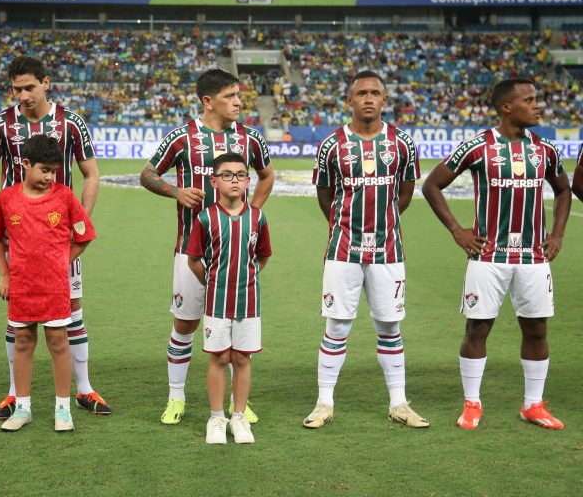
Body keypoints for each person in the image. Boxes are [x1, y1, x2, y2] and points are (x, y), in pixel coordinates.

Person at [422, 77, 571, 430]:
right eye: (530, 100)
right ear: (506, 107)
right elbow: (432, 185)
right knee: (478, 329)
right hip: (488, 256)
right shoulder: (477, 146)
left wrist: (558, 235)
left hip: (534, 258)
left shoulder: (545, 150)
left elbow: (564, 191)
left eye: (537, 99)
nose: (538, 105)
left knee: (537, 331)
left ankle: (533, 405)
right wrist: (457, 230)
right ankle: (472, 403)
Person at [0, 56, 110, 418]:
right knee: (17, 314)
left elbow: (91, 174)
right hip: (18, 233)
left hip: (57, 234)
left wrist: (76, 225)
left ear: (46, 83)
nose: (23, 95)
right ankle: (12, 394)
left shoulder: (71, 123)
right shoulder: (1, 124)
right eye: (17, 89)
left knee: (72, 308)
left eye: (29, 87)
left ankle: (84, 389)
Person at [139, 67, 275, 425]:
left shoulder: (249, 138)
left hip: (236, 256)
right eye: (230, 96)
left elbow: (267, 174)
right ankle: (176, 398)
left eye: (238, 95)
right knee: (185, 325)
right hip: (191, 250)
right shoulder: (183, 137)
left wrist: (253, 212)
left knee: (235, 329)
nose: (237, 102)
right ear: (208, 101)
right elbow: (148, 174)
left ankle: (238, 403)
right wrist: (176, 191)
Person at [303, 70, 429, 429]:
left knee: (390, 326)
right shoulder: (331, 145)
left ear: (385, 100)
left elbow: (405, 193)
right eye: (361, 93)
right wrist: (348, 225)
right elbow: (324, 196)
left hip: (388, 250)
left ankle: (399, 403)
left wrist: (382, 222)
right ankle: (324, 402)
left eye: (375, 93)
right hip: (343, 249)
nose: (369, 98)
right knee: (337, 325)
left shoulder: (402, 143)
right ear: (349, 101)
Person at [0, 135, 96, 432]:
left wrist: (62, 261)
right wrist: (5, 273)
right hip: (21, 285)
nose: (49, 177)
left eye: (54, 171)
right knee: (22, 342)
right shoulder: (7, 198)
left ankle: (63, 409)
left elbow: (84, 236)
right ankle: (22, 408)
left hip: (55, 285)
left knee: (59, 342)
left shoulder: (65, 196)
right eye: (44, 170)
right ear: (25, 164)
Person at [186, 153, 272, 444]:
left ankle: (239, 418)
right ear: (214, 181)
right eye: (227, 175)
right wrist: (213, 283)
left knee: (242, 358)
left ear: (248, 181)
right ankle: (216, 418)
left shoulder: (258, 217)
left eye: (240, 175)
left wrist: (248, 280)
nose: (234, 180)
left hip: (249, 301)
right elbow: (194, 260)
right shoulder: (205, 218)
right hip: (216, 302)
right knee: (220, 357)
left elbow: (263, 256)